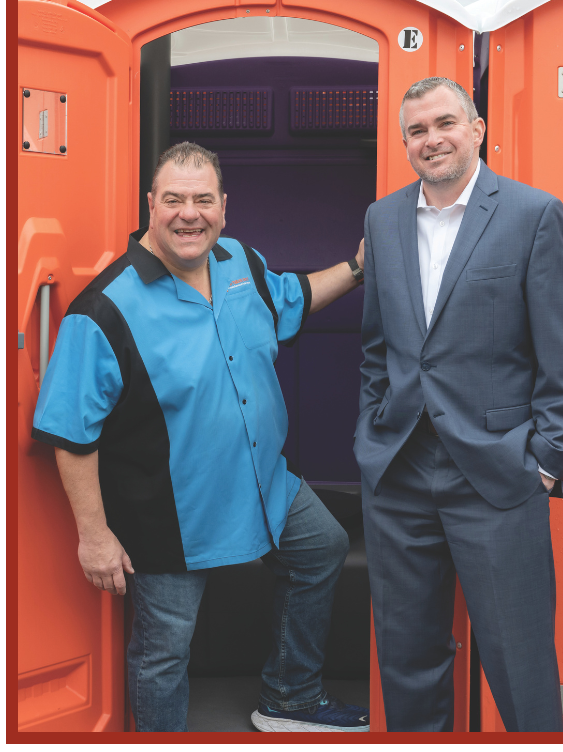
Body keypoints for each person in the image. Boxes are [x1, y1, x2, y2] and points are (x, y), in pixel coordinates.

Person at [32, 142, 370, 733]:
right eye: (174, 200)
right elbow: (70, 431)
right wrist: (95, 535)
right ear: (151, 205)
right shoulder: (104, 309)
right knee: (164, 651)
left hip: (264, 483)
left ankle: (289, 698)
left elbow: (292, 299)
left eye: (203, 200)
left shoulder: (239, 260)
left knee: (321, 547)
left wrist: (360, 267)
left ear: (223, 206)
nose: (190, 214)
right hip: (170, 515)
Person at [354, 77, 563, 731]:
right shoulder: (382, 219)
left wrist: (546, 462)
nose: (432, 140)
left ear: (477, 129)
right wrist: (372, 434)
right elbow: (376, 347)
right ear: (405, 143)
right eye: (417, 131)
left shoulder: (532, 214)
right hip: (399, 471)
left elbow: (562, 357)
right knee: (407, 661)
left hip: (497, 475)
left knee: (520, 665)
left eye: (445, 123)